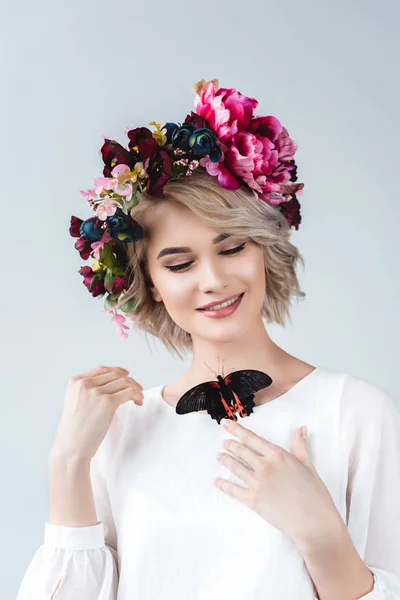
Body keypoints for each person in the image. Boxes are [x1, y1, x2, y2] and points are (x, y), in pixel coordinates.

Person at [16, 80, 400, 600]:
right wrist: (66, 466)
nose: (213, 280)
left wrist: (321, 535)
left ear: (263, 249)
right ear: (152, 282)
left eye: (232, 247)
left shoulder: (356, 414)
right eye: (179, 263)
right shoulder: (121, 430)